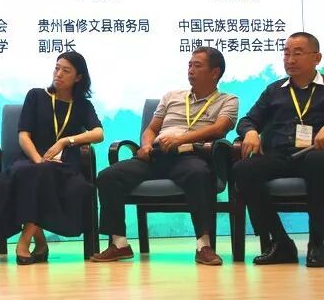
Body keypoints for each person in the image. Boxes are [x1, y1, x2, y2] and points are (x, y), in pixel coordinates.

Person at [91, 47, 238, 265]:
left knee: (199, 174)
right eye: (189, 65)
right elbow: (151, 129)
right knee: (108, 176)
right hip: (157, 154)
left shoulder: (228, 100)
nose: (190, 70)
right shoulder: (172, 97)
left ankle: (204, 246)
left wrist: (181, 139)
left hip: (191, 156)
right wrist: (146, 146)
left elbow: (220, 128)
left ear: (215, 72)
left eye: (197, 66)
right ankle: (119, 244)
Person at [0, 52, 103, 264]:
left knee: (42, 178)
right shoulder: (36, 96)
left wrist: (66, 141)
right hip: (31, 159)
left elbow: (98, 134)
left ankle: (24, 242)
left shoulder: (82, 105)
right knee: (25, 178)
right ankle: (39, 241)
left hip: (64, 165)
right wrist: (39, 160)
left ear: (78, 77)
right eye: (57, 68)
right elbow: (23, 136)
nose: (58, 74)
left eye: (66, 71)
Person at [233, 32, 324, 267]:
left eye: (297, 53)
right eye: (286, 53)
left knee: (318, 162)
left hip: (314, 155)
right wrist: (251, 132)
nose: (290, 59)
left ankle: (318, 242)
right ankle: (280, 242)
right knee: (243, 169)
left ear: (317, 58)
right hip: (280, 156)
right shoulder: (275, 90)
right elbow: (247, 120)